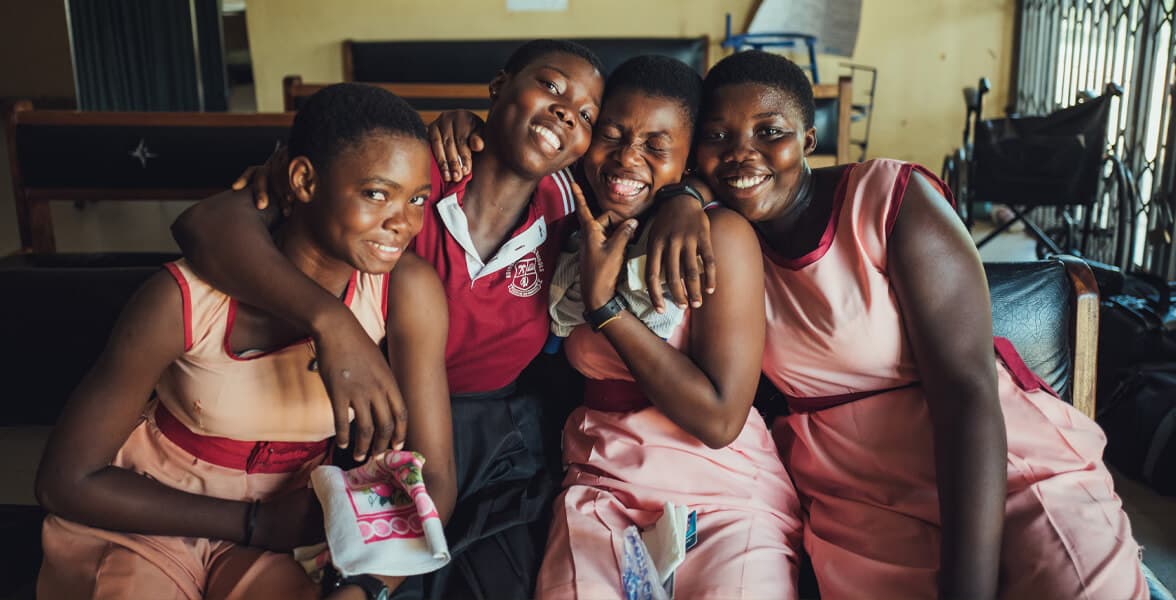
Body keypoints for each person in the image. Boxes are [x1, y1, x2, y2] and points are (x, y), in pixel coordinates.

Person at [693, 50, 1146, 599]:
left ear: (809, 140)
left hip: (998, 459)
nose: (743, 153)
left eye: (770, 131)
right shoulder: (718, 238)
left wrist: (966, 590)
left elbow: (967, 391)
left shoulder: (888, 200)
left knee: (1083, 588)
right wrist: (681, 196)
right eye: (717, 136)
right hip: (853, 486)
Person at [35, 83, 455, 600]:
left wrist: (365, 585)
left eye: (417, 199)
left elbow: (434, 483)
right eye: (376, 193)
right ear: (303, 180)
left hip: (287, 534)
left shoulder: (405, 290)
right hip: (145, 519)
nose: (404, 222)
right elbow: (66, 480)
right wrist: (254, 522)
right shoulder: (183, 299)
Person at [533, 55, 804, 599]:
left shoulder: (718, 235)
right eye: (610, 135)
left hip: (721, 491)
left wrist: (606, 307)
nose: (627, 158)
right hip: (602, 483)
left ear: (686, 163)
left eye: (657, 146)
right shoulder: (570, 225)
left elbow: (721, 420)